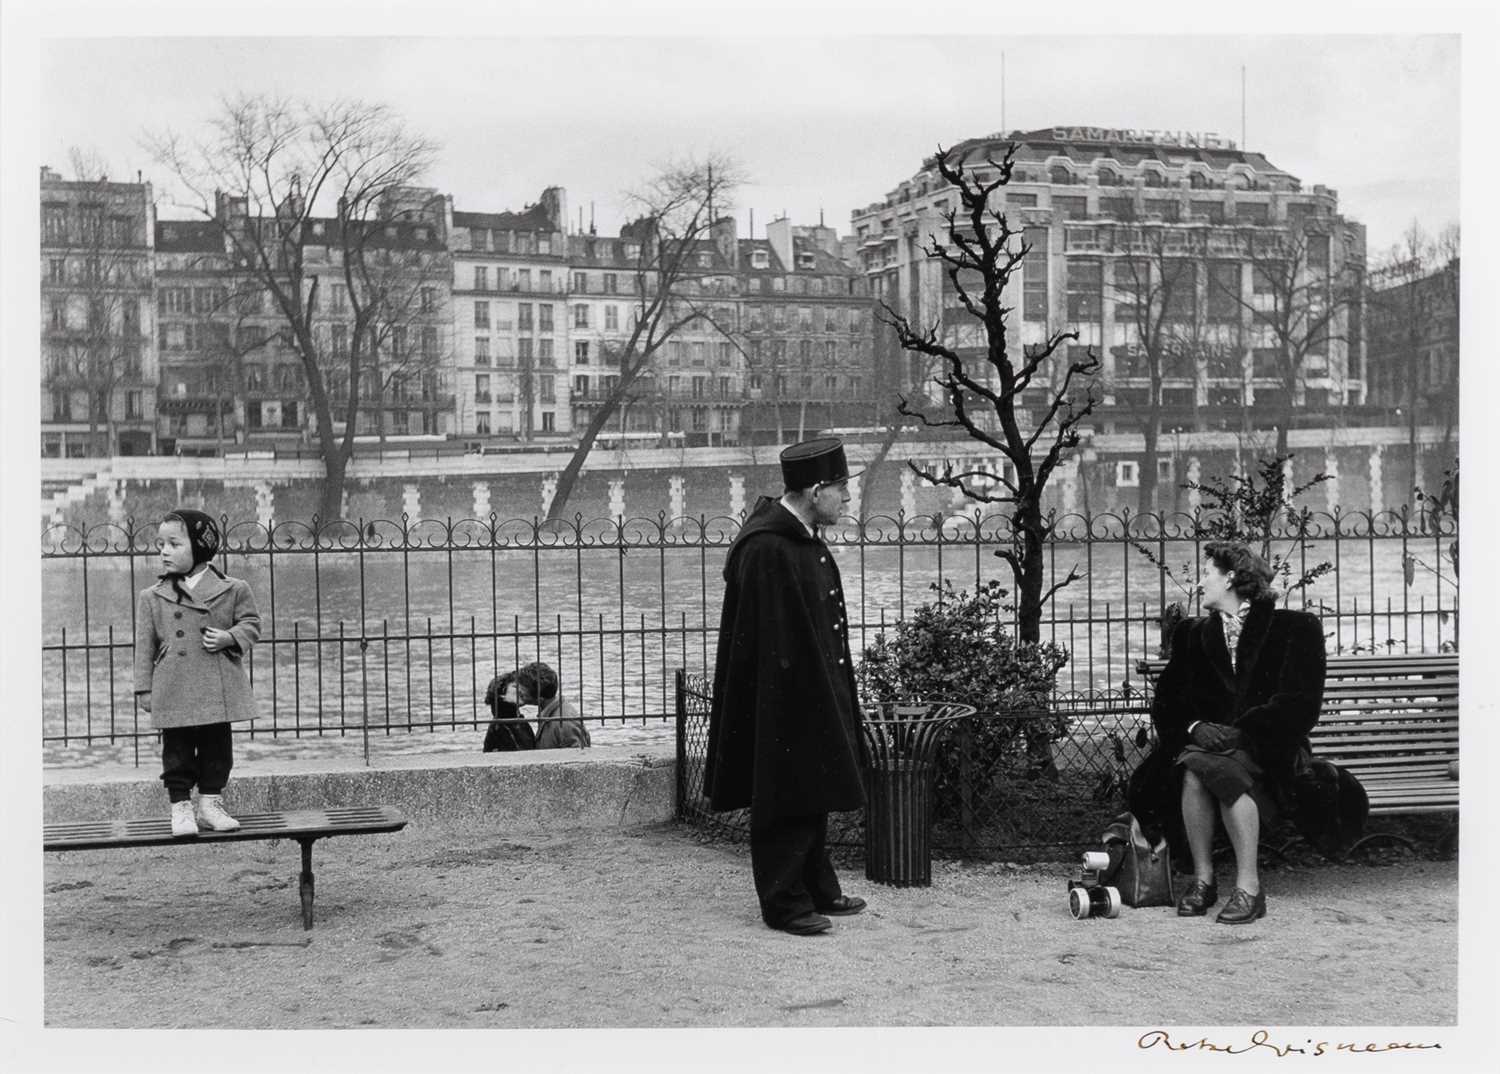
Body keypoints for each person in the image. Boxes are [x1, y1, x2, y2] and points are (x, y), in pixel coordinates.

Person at [704, 437, 868, 936]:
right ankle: (784, 904)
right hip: (781, 698)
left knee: (812, 787)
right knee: (783, 794)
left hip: (811, 688)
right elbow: (772, 642)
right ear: (816, 491)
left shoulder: (797, 540)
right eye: (841, 488)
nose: (847, 498)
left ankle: (817, 886)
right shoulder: (768, 548)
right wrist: (802, 696)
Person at [1127, 541, 1326, 924]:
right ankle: (1208, 881)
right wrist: (1196, 727)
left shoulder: (1295, 628)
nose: (1200, 583)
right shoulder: (1191, 634)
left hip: (1272, 748)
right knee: (1198, 768)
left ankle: (1245, 886)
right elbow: (1168, 703)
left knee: (1206, 769)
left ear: (1231, 577)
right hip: (1207, 749)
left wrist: (1243, 733)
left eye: (1207, 574)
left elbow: (1301, 704)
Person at [133, 508, 261, 837]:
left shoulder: (234, 589)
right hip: (174, 685)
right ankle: (181, 808)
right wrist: (144, 688)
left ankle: (210, 805)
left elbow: (251, 624)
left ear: (200, 547)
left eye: (174, 544)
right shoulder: (152, 597)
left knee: (217, 749)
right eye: (161, 544)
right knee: (176, 752)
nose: (164, 551)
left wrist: (230, 637)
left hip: (216, 685)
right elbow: (144, 646)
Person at [517, 662, 591, 750]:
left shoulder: (564, 724)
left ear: (540, 698)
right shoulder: (552, 713)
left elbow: (578, 756)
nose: (519, 692)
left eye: (523, 691)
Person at [481, 671, 539, 752]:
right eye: (515, 687)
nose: (520, 690)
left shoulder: (516, 721)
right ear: (502, 695)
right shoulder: (500, 727)